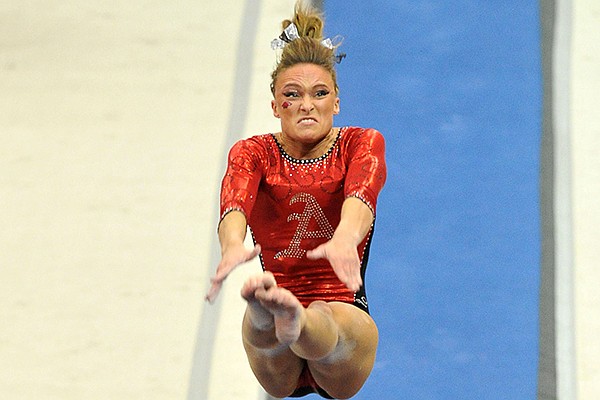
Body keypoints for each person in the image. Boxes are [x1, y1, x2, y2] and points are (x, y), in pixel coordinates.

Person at [206, 2, 386, 398]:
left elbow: (363, 191)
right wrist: (232, 245)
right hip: (279, 326)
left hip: (341, 308)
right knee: (265, 332)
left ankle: (291, 317)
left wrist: (344, 237)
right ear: (274, 106)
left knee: (324, 320)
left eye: (320, 93)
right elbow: (234, 200)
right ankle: (268, 309)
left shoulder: (360, 144)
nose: (307, 104)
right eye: (293, 94)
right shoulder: (252, 152)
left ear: (336, 102)